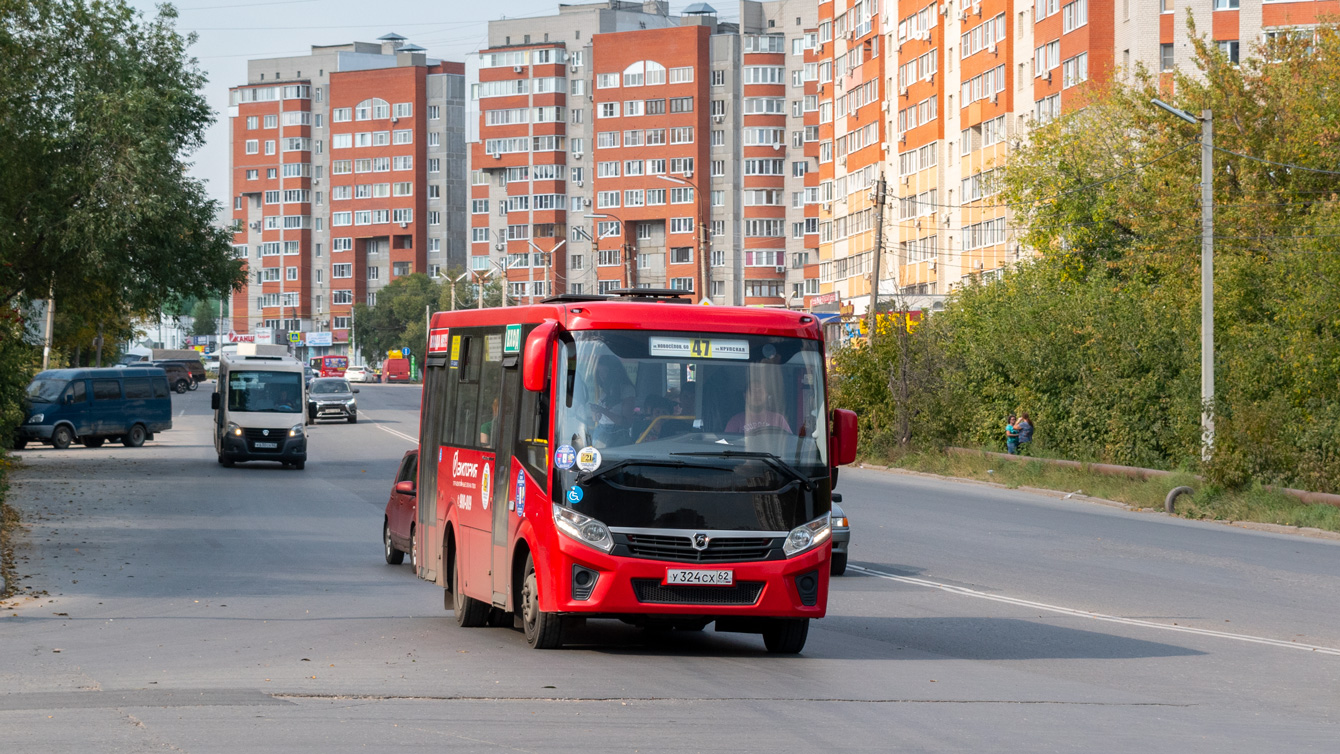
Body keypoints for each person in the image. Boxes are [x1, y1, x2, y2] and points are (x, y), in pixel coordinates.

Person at [589, 354, 635, 445]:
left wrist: (603, 411)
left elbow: (626, 422)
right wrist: (595, 412)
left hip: (616, 433)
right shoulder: (604, 390)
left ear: (614, 372)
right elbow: (596, 419)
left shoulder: (627, 389)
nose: (601, 375)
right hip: (600, 430)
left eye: (605, 371)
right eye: (599, 372)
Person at [726, 381, 792, 435]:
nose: (757, 395)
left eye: (760, 391)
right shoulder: (735, 421)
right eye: (753, 392)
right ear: (745, 396)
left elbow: (789, 443)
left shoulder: (778, 419)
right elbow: (727, 445)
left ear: (766, 395)